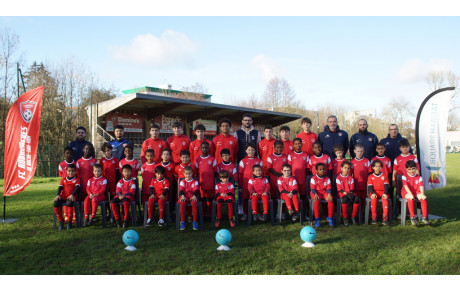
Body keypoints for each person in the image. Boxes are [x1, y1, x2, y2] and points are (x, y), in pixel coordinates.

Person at [238, 142, 263, 221]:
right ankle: (245, 214)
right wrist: (240, 186)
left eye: (252, 150)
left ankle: (257, 213)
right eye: (249, 150)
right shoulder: (243, 161)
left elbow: (262, 173)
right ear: (246, 151)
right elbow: (240, 175)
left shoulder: (259, 161)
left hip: (257, 184)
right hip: (246, 184)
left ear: (255, 151)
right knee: (245, 199)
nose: (251, 152)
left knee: (257, 198)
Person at [401, 160, 429, 225]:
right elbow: (405, 186)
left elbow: (421, 186)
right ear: (406, 169)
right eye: (409, 169)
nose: (411, 171)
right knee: (411, 198)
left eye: (413, 169)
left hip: (416, 192)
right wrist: (410, 194)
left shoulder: (419, 177)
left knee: (423, 198)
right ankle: (412, 217)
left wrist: (422, 194)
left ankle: (424, 218)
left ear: (416, 168)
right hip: (406, 192)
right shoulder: (404, 176)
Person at [53, 164, 80, 230]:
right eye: (69, 171)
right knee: (56, 203)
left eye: (72, 171)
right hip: (64, 196)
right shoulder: (63, 179)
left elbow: (77, 188)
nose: (71, 173)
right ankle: (61, 221)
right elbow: (60, 187)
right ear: (66, 171)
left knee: (69, 203)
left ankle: (69, 222)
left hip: (72, 196)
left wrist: (72, 195)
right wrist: (58, 195)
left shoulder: (77, 179)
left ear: (75, 172)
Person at [195, 141, 217, 218]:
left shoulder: (212, 159)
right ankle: (203, 214)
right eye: (203, 148)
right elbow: (197, 173)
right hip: (201, 184)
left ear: (209, 148)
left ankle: (209, 213)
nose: (205, 149)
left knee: (209, 199)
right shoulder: (198, 160)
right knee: (203, 199)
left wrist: (215, 183)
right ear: (200, 149)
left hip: (210, 184)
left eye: (206, 147)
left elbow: (215, 172)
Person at [288, 138, 309, 216]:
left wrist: (306, 179)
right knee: (294, 196)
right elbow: (289, 168)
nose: (297, 145)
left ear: (302, 144)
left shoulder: (305, 155)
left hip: (303, 180)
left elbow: (307, 168)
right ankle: (294, 213)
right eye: (296, 144)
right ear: (293, 145)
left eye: (299, 143)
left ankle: (303, 212)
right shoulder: (290, 155)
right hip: (293, 181)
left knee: (303, 196)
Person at [310, 163, 334, 227]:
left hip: (324, 193)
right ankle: (317, 218)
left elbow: (328, 187)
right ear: (317, 170)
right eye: (320, 169)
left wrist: (329, 195)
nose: (322, 171)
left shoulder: (327, 178)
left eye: (323, 169)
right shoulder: (313, 178)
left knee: (330, 200)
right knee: (316, 201)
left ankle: (330, 218)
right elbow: (313, 188)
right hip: (316, 193)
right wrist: (315, 194)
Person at [335, 161, 359, 225]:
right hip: (342, 193)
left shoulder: (351, 178)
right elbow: (339, 189)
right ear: (341, 168)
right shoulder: (338, 178)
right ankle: (345, 217)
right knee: (345, 199)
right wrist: (346, 193)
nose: (347, 169)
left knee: (356, 198)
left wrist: (350, 193)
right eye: (345, 168)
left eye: (348, 168)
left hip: (350, 193)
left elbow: (352, 187)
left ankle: (353, 217)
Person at [367, 159, 390, 225]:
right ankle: (374, 217)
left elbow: (386, 185)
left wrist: (385, 193)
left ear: (381, 167)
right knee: (373, 199)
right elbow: (370, 186)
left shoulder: (384, 175)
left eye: (379, 166)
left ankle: (385, 218)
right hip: (374, 192)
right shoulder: (371, 176)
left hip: (383, 192)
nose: (378, 168)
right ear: (373, 167)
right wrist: (373, 193)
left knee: (385, 200)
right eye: (376, 166)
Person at [178, 166, 200, 231]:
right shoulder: (182, 181)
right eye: (186, 174)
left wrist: (194, 196)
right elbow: (181, 190)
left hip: (192, 196)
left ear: (192, 173)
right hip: (184, 196)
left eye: (189, 173)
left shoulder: (194, 181)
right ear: (184, 174)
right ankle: (182, 221)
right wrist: (182, 195)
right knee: (182, 203)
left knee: (194, 202)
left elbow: (196, 190)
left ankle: (195, 221)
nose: (188, 175)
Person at [351, 144, 372, 210]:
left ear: (364, 151)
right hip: (356, 185)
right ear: (354, 151)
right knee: (356, 200)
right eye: (358, 151)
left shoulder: (366, 161)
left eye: (361, 151)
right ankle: (355, 214)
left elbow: (370, 173)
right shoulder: (352, 162)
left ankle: (363, 213)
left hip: (365, 185)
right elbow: (349, 174)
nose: (359, 153)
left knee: (364, 200)